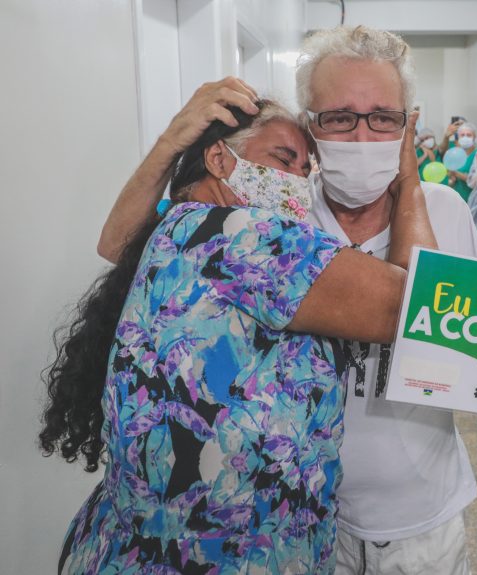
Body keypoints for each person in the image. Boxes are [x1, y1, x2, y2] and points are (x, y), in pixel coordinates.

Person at [95, 26, 477, 575]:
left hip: (421, 517)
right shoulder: (279, 209)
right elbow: (123, 246)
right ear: (312, 125)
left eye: (383, 118)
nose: (363, 136)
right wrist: (172, 142)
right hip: (307, 523)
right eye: (340, 118)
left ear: (407, 123)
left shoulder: (444, 209)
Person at [41, 100, 436, 574]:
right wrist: (408, 182)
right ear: (219, 159)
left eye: (305, 169)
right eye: (283, 159)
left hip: (132, 548)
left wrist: (171, 142)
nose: (296, 180)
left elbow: (115, 242)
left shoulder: (180, 224)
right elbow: (415, 305)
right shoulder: (244, 234)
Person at [438, 120, 477, 201]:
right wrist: (451, 180)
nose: (465, 137)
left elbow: (476, 181)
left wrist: (455, 173)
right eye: (462, 135)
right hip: (457, 198)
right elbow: (450, 180)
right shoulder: (455, 154)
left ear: (474, 137)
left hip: (473, 199)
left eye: (469, 135)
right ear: (458, 137)